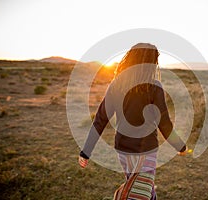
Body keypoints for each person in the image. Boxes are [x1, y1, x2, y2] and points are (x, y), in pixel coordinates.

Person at [78, 43, 187, 200]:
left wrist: (86, 151)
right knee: (140, 190)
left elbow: (100, 120)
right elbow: (164, 123)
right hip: (147, 150)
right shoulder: (154, 87)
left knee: (140, 187)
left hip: (123, 148)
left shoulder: (117, 85)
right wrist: (180, 146)